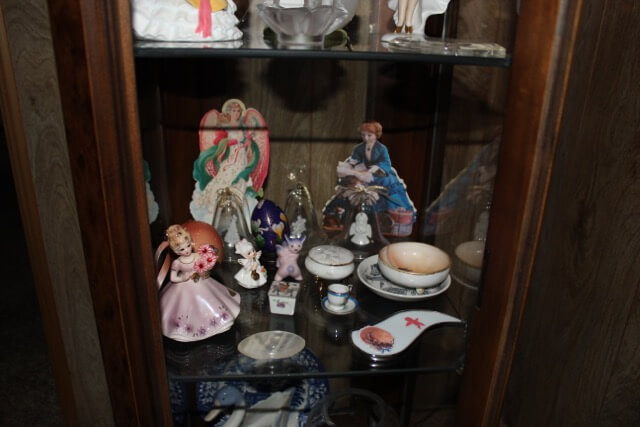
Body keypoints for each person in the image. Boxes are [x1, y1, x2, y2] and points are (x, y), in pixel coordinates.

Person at [159, 225, 240, 342]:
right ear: (176, 251)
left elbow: (204, 266)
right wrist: (184, 277)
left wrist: (206, 266)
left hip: (202, 284)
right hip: (184, 288)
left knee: (211, 300)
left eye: (188, 246)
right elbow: (173, 278)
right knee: (184, 307)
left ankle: (220, 322)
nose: (186, 250)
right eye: (182, 249)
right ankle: (184, 331)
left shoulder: (196, 256)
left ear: (191, 243)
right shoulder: (177, 263)